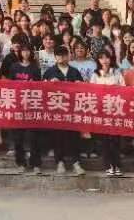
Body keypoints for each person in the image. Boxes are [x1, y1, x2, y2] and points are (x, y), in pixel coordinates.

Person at [42, 46, 86, 175]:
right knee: (58, 136)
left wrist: (79, 84)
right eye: (58, 55)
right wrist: (50, 83)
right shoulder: (50, 71)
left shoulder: (74, 71)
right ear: (55, 57)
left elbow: (82, 89)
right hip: (57, 109)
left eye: (63, 55)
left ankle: (76, 162)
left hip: (72, 109)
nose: (61, 57)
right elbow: (42, 90)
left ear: (68, 56)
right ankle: (59, 162)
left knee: (73, 136)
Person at [6, 44, 42, 173]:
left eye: (28, 51)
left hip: (32, 106)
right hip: (17, 106)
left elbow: (39, 87)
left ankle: (35, 163)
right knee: (18, 137)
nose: (25, 53)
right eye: (23, 51)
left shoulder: (35, 68)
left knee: (33, 137)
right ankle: (20, 162)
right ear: (20, 53)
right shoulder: (14, 67)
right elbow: (10, 85)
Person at [90, 51, 124, 176]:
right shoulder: (95, 74)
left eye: (106, 57)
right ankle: (108, 165)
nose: (104, 60)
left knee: (115, 139)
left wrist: (115, 88)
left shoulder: (117, 73)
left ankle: (117, 165)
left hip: (115, 109)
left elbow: (124, 88)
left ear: (110, 59)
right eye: (101, 58)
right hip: (101, 110)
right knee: (104, 140)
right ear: (98, 61)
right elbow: (91, 91)